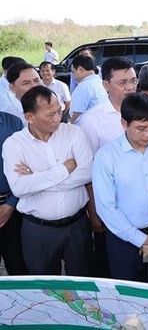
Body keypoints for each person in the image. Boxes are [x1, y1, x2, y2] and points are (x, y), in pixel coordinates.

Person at [3, 86, 93, 275]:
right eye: (50, 114)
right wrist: (65, 168)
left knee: (83, 284)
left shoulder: (73, 133)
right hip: (38, 231)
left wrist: (37, 181)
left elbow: (87, 172)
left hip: (77, 226)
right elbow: (19, 188)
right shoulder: (14, 144)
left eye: (59, 111)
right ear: (29, 117)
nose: (57, 118)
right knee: (45, 289)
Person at [93, 93, 148, 284]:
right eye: (141, 129)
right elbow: (106, 208)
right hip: (124, 241)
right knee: (131, 300)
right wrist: (142, 240)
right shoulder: (106, 156)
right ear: (124, 124)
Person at [76, 56, 140, 277]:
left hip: (146, 210)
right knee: (113, 271)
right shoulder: (92, 121)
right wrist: (94, 212)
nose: (130, 87)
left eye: (133, 80)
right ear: (105, 85)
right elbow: (88, 172)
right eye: (122, 83)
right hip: (111, 211)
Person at [0, 111, 28, 275]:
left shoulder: (13, 123)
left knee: (18, 266)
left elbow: (27, 167)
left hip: (13, 208)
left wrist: (10, 205)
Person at [69, 54, 107, 124]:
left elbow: (76, 115)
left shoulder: (83, 87)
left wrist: (72, 129)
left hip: (87, 129)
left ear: (80, 69)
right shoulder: (100, 82)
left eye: (73, 72)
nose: (74, 76)